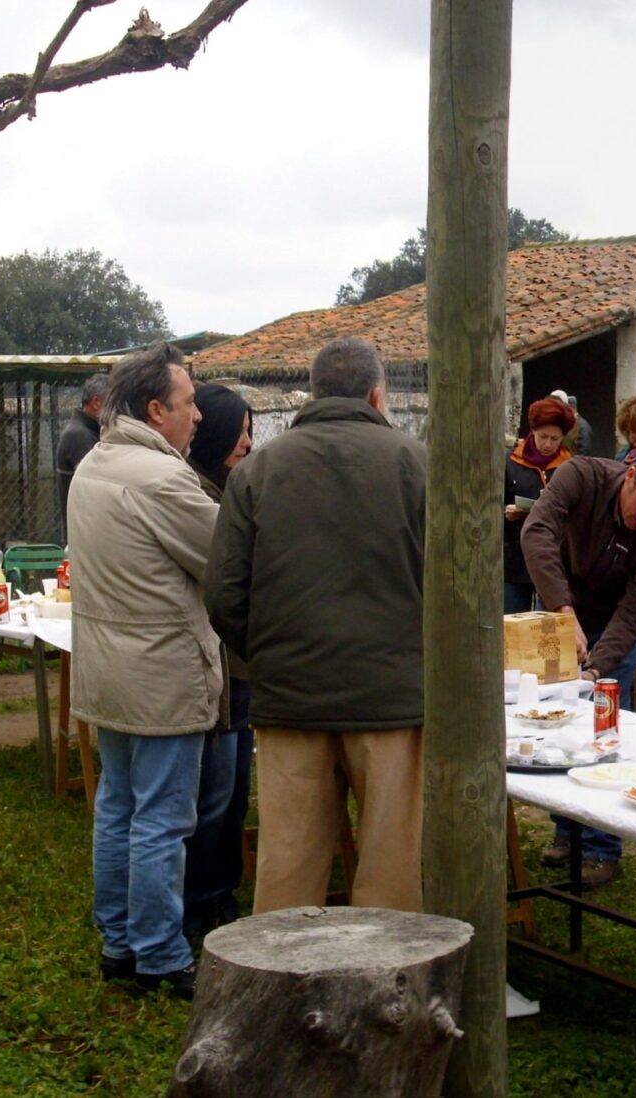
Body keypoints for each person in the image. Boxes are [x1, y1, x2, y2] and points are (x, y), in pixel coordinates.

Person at [207, 337, 428, 916]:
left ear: (313, 392)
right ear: (377, 393)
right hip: (392, 701)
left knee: (288, 864)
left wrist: (268, 657)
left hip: (290, 696)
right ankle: (387, 991)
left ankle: (283, 991)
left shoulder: (256, 471)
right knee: (391, 864)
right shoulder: (417, 465)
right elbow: (454, 587)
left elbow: (224, 593)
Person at [72, 343, 221, 998]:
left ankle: (120, 943)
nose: (198, 417)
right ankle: (160, 953)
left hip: (109, 666)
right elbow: (226, 557)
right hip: (160, 669)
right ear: (156, 410)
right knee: (161, 817)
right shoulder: (160, 479)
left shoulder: (96, 463)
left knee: (120, 807)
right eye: (189, 404)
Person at [521, 448, 636, 889]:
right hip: (560, 606)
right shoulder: (581, 476)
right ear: (630, 476)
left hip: (614, 625)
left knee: (605, 734)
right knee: (556, 726)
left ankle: (602, 848)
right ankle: (567, 829)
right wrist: (562, 610)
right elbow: (537, 533)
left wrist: (596, 670)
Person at [181, 382, 255, 940]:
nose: (249, 443)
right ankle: (201, 901)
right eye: (241, 431)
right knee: (215, 795)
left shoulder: (234, 489)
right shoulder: (200, 496)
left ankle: (221, 891)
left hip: (241, 669)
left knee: (232, 794)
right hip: (218, 669)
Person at [502, 397, 576, 614]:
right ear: (532, 431)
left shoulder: (569, 466)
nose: (548, 444)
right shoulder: (510, 462)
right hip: (515, 561)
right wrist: (506, 512)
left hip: (554, 561)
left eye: (555, 438)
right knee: (513, 627)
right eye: (543, 436)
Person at [56, 373, 108, 543]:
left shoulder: (89, 431)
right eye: (113, 403)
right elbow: (96, 488)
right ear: (96, 402)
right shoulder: (80, 436)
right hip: (84, 535)